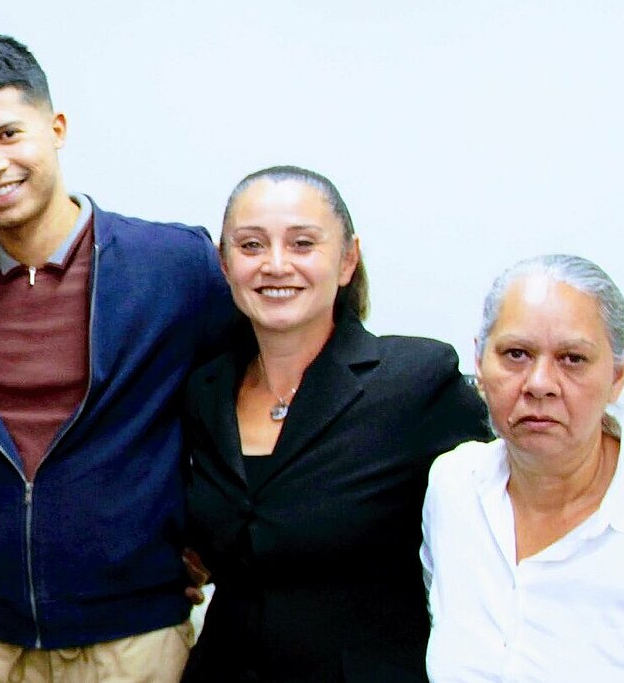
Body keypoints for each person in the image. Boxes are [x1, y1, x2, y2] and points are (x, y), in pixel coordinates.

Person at [0, 35, 236, 682]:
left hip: (130, 644)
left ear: (57, 128)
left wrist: (216, 534)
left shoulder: (172, 264)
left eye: (8, 134)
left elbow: (247, 396)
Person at [179, 167, 490, 681]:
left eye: (302, 244)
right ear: (225, 263)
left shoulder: (415, 383)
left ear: (347, 260)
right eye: (251, 245)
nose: (276, 264)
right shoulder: (204, 391)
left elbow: (508, 513)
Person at [423, 255, 624, 681]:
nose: (539, 384)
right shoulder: (453, 486)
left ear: (618, 373)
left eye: (572, 358)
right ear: (479, 363)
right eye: (516, 354)